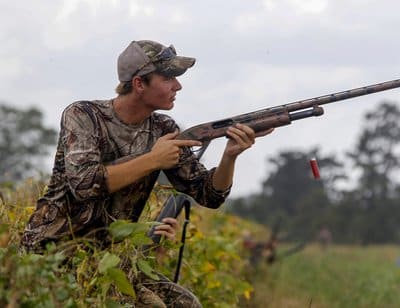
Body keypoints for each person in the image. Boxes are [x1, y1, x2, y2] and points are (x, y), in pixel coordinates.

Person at [21, 40, 273, 306]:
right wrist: (153, 159)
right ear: (139, 84)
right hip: (51, 256)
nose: (178, 86)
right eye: (168, 78)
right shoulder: (84, 115)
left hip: (110, 262)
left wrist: (230, 155)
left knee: (184, 303)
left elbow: (209, 194)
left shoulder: (163, 128)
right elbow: (85, 184)